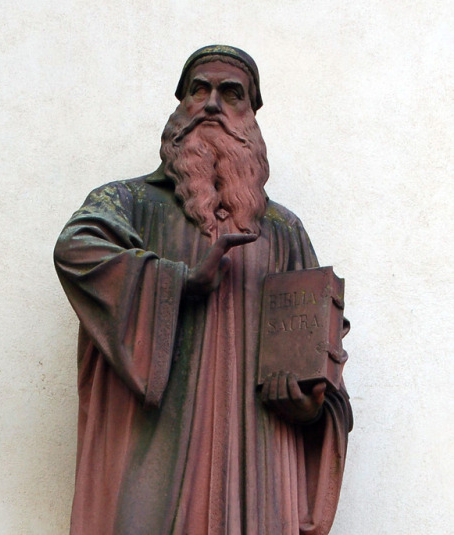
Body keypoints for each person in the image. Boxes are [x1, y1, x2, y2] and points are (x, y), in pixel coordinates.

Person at [54, 45, 352, 535]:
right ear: (181, 106)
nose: (212, 104)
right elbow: (74, 249)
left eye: (231, 93)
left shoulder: (284, 231)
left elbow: (325, 358)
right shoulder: (128, 201)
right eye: (199, 89)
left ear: (251, 116)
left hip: (259, 459)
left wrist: (311, 402)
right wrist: (177, 280)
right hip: (155, 448)